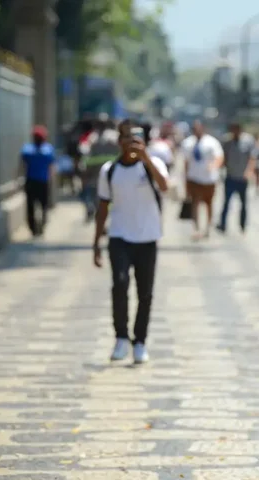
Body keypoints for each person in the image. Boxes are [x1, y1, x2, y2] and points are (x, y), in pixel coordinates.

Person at [93, 119, 169, 364]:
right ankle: (121, 337)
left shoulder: (152, 164)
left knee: (145, 293)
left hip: (147, 238)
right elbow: (102, 206)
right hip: (119, 237)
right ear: (119, 141)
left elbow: (165, 186)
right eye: (126, 137)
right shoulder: (109, 170)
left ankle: (140, 342)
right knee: (120, 285)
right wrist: (96, 242)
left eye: (135, 138)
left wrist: (146, 158)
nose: (131, 143)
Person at [181, 120, 224, 239]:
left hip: (209, 180)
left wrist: (214, 166)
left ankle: (208, 227)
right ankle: (196, 228)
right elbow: (185, 162)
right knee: (195, 203)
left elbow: (219, 157)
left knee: (208, 204)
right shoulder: (188, 143)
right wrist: (185, 180)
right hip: (194, 178)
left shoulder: (211, 142)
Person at [217, 122, 255, 234]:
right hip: (230, 176)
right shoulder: (227, 142)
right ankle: (222, 225)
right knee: (226, 202)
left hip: (242, 178)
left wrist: (249, 172)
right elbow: (223, 157)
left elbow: (252, 158)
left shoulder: (247, 141)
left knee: (243, 203)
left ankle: (242, 224)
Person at [20, 125, 56, 237]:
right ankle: (41, 224)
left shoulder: (27, 150)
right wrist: (52, 180)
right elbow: (52, 167)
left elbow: (22, 166)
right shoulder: (48, 150)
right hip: (43, 181)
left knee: (31, 206)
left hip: (31, 181)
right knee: (43, 205)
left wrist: (19, 179)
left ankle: (34, 228)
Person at [82, 118, 120, 221]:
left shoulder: (92, 137)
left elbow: (86, 156)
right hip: (109, 173)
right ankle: (104, 219)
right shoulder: (114, 136)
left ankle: (102, 218)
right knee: (107, 197)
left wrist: (85, 172)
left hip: (98, 174)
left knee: (100, 198)